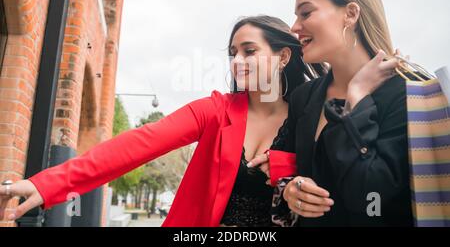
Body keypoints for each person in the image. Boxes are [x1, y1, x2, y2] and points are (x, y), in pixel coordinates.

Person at [0, 15, 324, 227]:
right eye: (233, 52)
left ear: (283, 56)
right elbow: (139, 143)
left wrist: (283, 168)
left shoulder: (310, 118)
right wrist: (46, 183)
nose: (237, 61)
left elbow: (338, 183)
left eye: (249, 51)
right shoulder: (215, 110)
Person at [251, 0, 413, 227]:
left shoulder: (407, 94)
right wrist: (292, 189)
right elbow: (289, 169)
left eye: (306, 13)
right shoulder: (304, 97)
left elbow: (372, 196)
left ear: (350, 14)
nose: (294, 28)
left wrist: (356, 98)